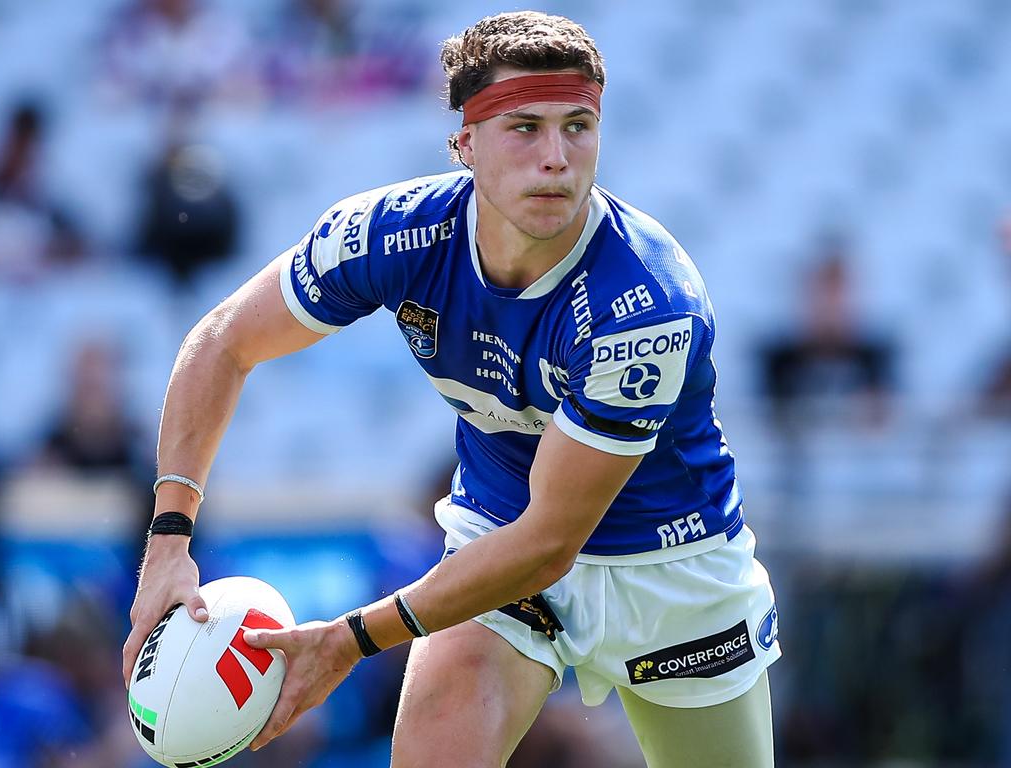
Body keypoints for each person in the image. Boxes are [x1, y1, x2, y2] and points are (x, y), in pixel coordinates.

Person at [123, 11, 781, 767]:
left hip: (671, 571)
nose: (557, 159)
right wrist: (169, 539)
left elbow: (550, 545)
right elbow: (223, 340)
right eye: (524, 127)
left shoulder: (646, 307)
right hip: (496, 541)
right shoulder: (389, 234)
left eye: (579, 126)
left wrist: (350, 640)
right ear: (465, 144)